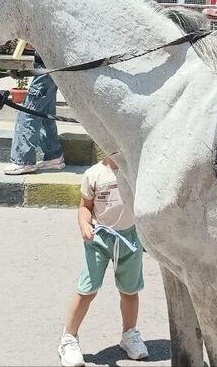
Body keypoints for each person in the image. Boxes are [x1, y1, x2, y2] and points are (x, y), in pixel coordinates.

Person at [58, 156, 148, 367]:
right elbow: (85, 206)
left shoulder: (135, 170)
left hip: (130, 239)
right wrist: (84, 225)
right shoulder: (94, 174)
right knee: (87, 290)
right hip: (99, 239)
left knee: (130, 291)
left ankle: (129, 334)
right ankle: (69, 338)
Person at [5, 61, 66, 176]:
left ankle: (23, 160)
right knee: (45, 112)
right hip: (51, 63)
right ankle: (53, 156)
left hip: (48, 62)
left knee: (28, 112)